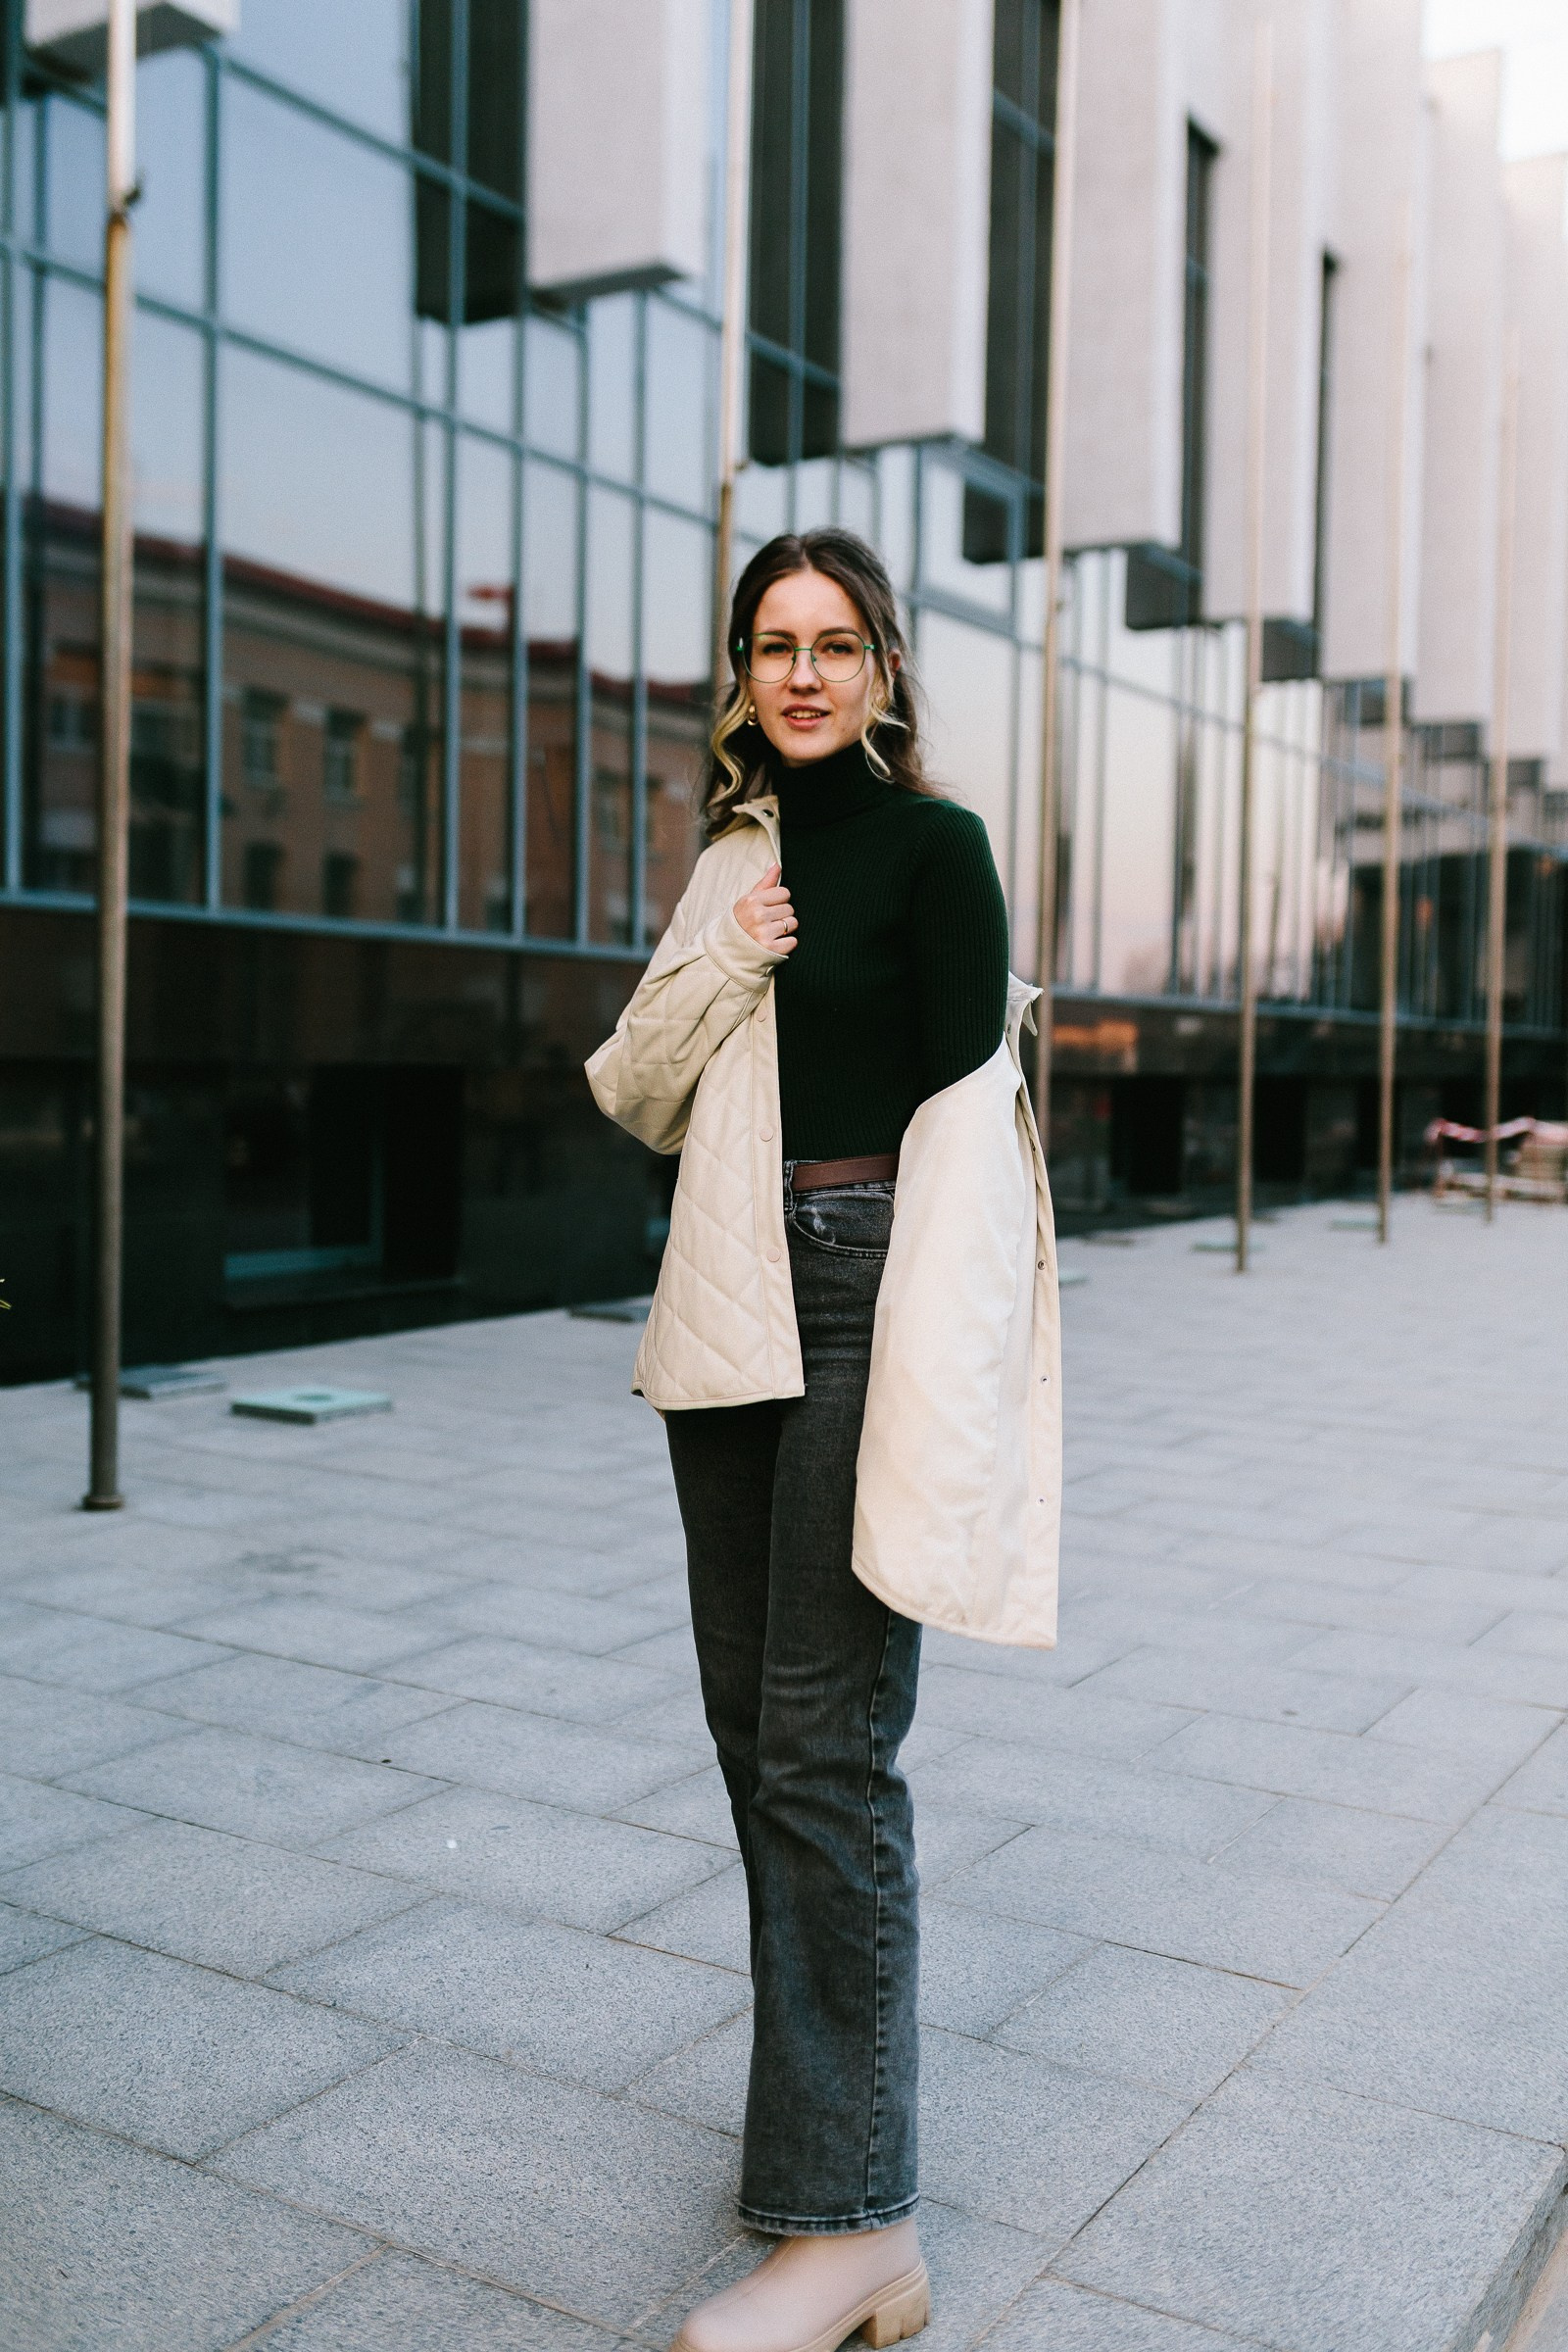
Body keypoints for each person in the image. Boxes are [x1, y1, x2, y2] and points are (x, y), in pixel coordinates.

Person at [587, 528, 1060, 2352]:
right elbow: (633, 1090)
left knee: (825, 1749)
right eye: (773, 644)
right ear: (742, 671)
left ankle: (852, 2227)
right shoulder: (736, 859)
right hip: (730, 1294)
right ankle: (835, 2166)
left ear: (882, 669)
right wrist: (729, 953)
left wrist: (959, 1377)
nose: (801, 673)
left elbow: (972, 1138)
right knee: (753, 1742)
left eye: (834, 643)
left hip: (870, 1283)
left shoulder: (940, 851)